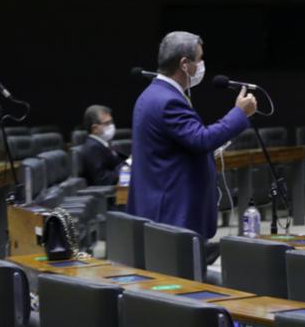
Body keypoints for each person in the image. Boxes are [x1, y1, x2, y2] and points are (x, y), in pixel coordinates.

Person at [128, 31, 257, 243]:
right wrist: (239, 113)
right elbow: (201, 140)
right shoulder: (168, 100)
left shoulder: (153, 94)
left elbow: (181, 144)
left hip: (163, 208)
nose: (202, 65)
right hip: (172, 214)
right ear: (184, 64)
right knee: (181, 275)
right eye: (199, 59)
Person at [78, 104, 125, 186]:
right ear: (94, 128)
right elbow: (103, 180)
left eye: (111, 122)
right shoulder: (92, 148)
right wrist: (125, 169)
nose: (111, 126)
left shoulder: (104, 143)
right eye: (107, 123)